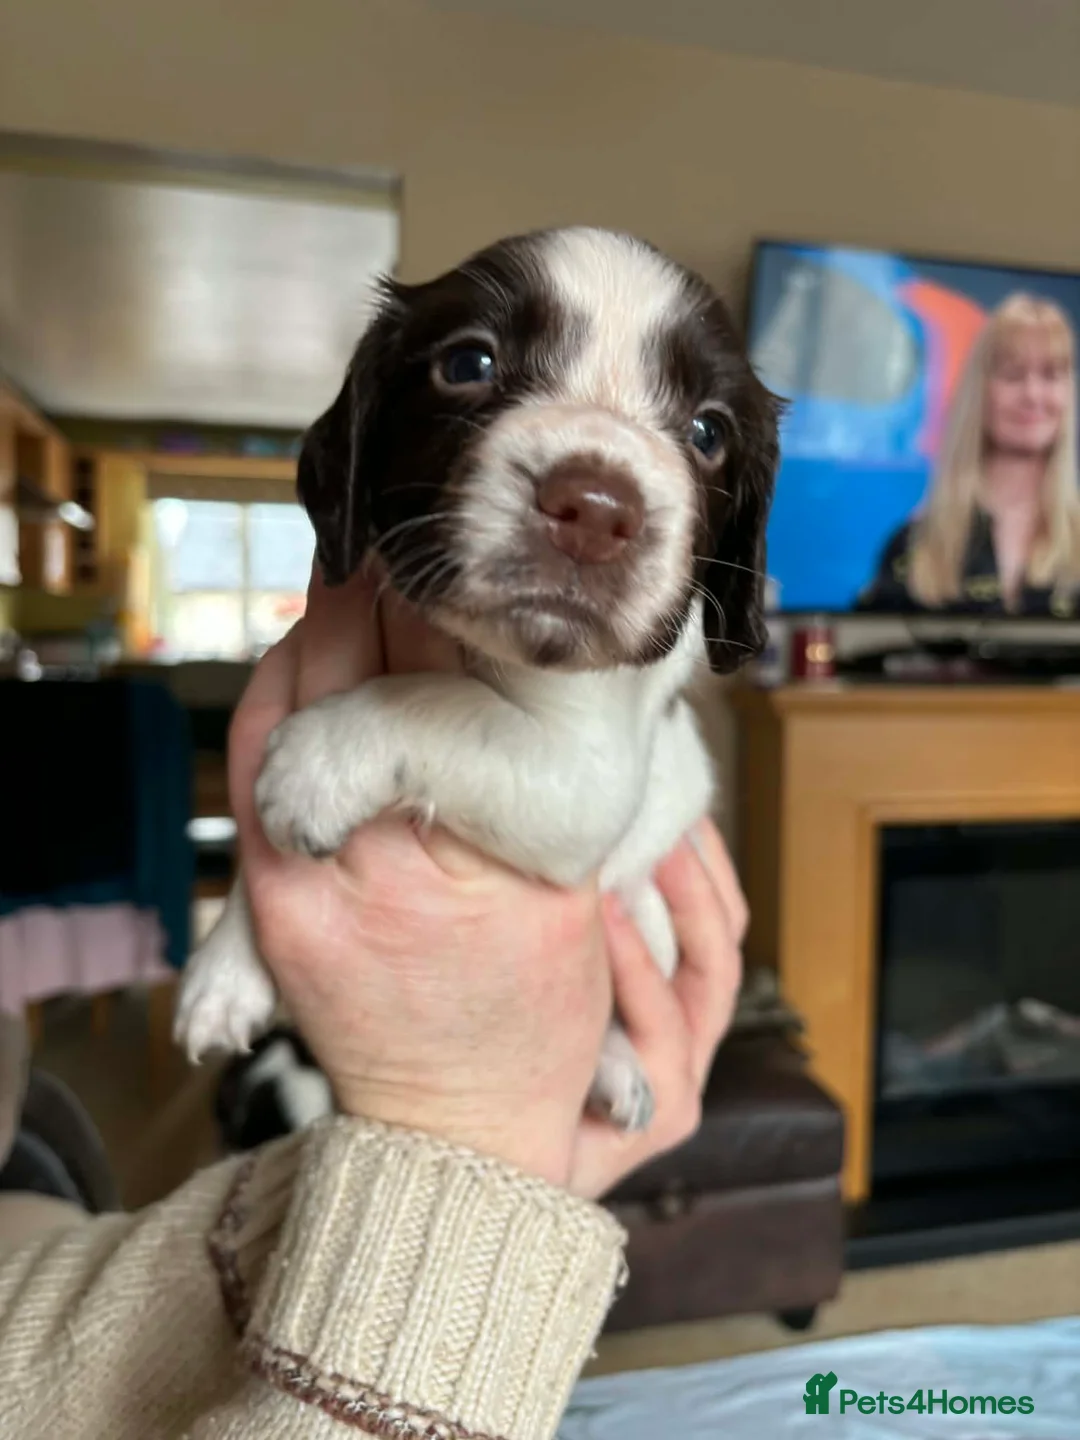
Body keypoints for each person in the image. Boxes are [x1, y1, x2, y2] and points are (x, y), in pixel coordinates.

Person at [0, 567, 746, 1440]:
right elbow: (313, 790)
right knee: (317, 772)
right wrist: (475, 1138)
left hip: (615, 894)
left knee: (338, 767)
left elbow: (551, 803)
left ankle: (593, 1046)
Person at [859, 294, 1080, 616]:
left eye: (1051, 375)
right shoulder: (913, 547)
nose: (1033, 395)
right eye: (1013, 375)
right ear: (980, 391)